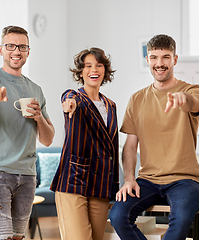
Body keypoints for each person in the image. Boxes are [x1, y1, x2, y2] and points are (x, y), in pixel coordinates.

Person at [109, 34, 199, 240]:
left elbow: (195, 103)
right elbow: (130, 145)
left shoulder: (191, 90)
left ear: (175, 59)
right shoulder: (136, 99)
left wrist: (183, 99)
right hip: (148, 180)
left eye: (165, 57)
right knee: (118, 216)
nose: (159, 63)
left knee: (179, 223)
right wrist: (128, 179)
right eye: (154, 57)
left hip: (185, 180)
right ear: (147, 60)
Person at [0, 25, 55, 240]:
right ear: (1, 49)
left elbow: (47, 139)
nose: (16, 51)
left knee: (17, 237)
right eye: (10, 46)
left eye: (22, 46)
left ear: (28, 51)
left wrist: (38, 118)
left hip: (27, 175)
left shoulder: (35, 89)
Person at [51, 47, 119, 240]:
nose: (93, 70)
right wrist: (69, 104)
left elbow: (113, 147)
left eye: (98, 65)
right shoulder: (75, 97)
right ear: (81, 72)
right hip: (74, 181)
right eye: (88, 66)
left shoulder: (111, 105)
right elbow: (68, 99)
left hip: (101, 185)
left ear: (105, 70)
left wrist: (114, 185)